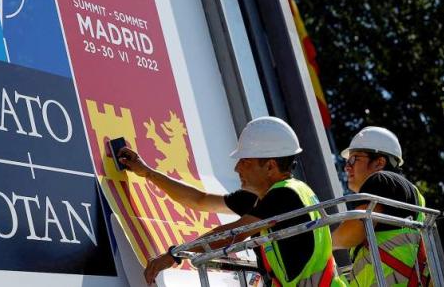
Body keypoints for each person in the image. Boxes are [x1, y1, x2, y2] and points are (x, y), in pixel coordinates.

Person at [118, 116, 345, 286]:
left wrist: (175, 255)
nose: (237, 168)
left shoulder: (285, 195)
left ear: (270, 166)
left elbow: (232, 234)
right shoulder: (262, 198)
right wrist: (147, 173)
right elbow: (200, 200)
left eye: (245, 161)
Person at [332, 126, 429, 286]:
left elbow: (354, 230)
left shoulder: (381, 180)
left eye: (354, 159)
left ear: (379, 162)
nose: (347, 166)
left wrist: (322, 246)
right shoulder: (409, 193)